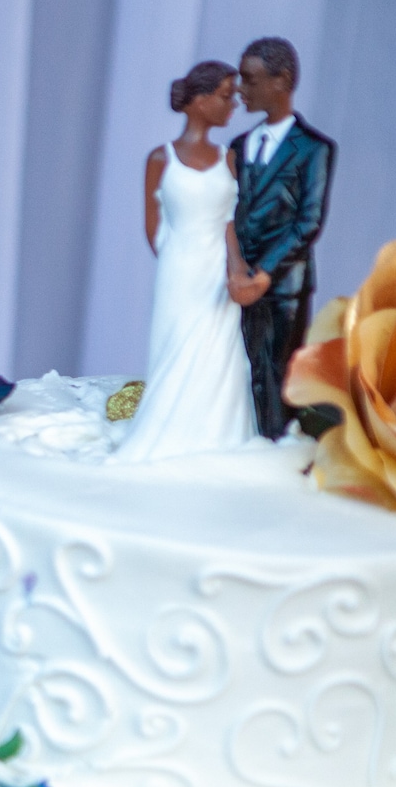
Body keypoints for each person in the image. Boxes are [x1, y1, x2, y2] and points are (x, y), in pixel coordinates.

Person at [114, 60, 258, 465]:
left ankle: (215, 434)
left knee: (218, 352)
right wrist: (177, 259)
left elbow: (230, 222)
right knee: (174, 346)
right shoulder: (161, 159)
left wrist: (234, 267)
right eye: (226, 96)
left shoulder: (228, 159)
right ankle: (166, 428)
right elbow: (153, 226)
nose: (233, 106)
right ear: (199, 100)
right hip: (178, 273)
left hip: (217, 275)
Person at [228, 36, 336, 440]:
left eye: (251, 80)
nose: (241, 89)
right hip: (238, 284)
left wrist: (265, 273)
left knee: (276, 378)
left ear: (282, 80)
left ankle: (274, 454)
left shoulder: (313, 149)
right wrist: (236, 268)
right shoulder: (240, 147)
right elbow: (231, 215)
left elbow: (307, 222)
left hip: (282, 287)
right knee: (237, 370)